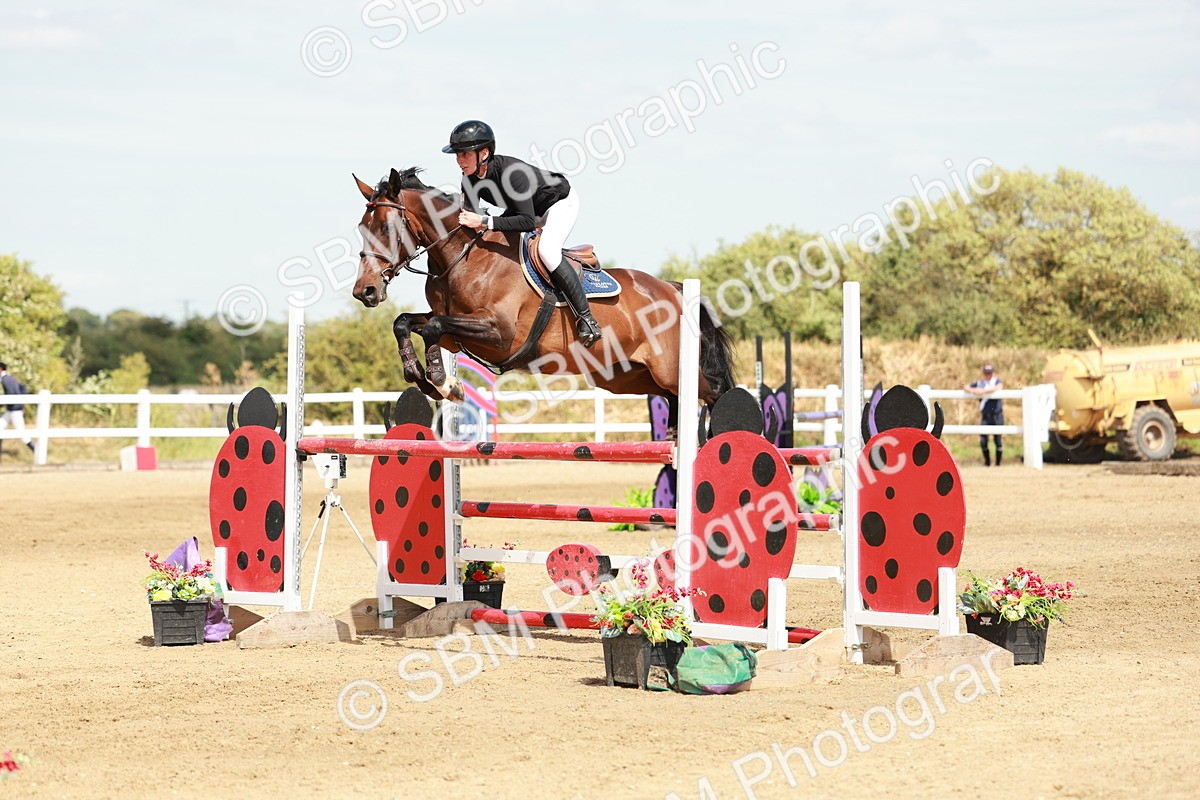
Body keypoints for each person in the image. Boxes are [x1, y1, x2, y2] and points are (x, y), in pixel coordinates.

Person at [442, 119, 603, 347]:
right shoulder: (469, 178)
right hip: (524, 209)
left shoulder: (511, 173)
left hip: (556, 204)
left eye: (464, 154)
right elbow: (470, 216)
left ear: (484, 153)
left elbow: (527, 221)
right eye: (457, 155)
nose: (459, 160)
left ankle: (587, 319)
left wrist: (485, 221)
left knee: (547, 251)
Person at [965, 363, 1003, 466]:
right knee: (983, 439)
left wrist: (984, 391)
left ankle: (998, 464)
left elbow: (999, 387)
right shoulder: (980, 383)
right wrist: (975, 390)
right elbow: (966, 387)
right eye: (986, 373)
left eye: (989, 373)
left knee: (998, 440)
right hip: (986, 415)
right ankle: (987, 462)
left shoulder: (996, 381)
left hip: (997, 414)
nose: (988, 375)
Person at [0, 361, 35, 454]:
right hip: (11, 410)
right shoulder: (10, 378)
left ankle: (36, 451)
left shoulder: (5, 380)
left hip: (14, 410)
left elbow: (11, 394)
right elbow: (23, 388)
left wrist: (15, 404)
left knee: (21, 433)